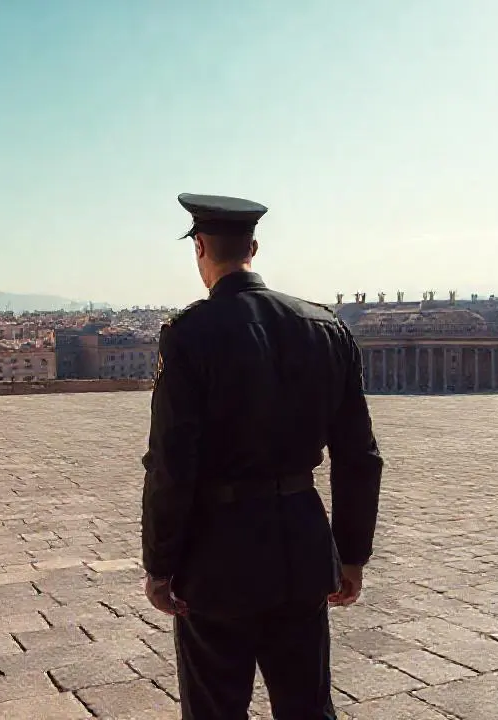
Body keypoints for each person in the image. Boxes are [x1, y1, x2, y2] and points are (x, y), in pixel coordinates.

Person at [140, 193, 385, 719]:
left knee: (215, 709)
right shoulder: (326, 328)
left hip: (215, 553)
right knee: (307, 709)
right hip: (301, 545)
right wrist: (352, 554)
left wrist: (160, 565)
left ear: (200, 247)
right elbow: (358, 456)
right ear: (253, 246)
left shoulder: (189, 335)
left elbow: (171, 465)